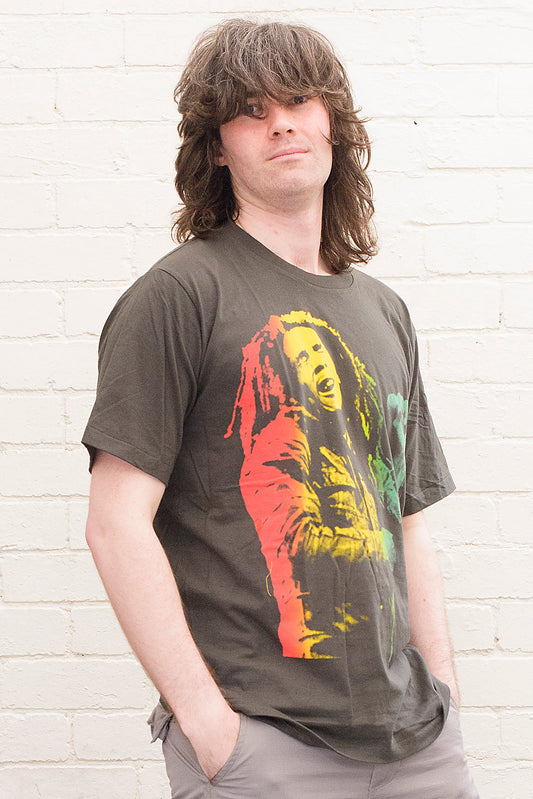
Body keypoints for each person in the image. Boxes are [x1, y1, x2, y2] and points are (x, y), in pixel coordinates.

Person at [83, 18, 479, 799]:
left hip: (415, 743)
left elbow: (404, 517)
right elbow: (115, 521)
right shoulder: (179, 296)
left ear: (334, 122)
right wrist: (206, 721)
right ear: (217, 146)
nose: (281, 123)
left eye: (298, 99)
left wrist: (444, 692)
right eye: (250, 111)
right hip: (262, 739)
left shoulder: (384, 311)